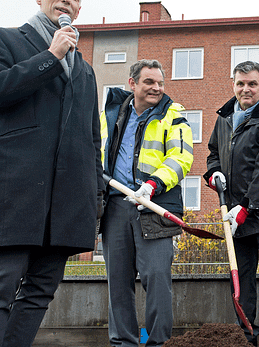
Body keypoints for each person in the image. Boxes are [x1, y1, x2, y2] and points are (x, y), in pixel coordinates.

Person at [0, 0, 104, 346]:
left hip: (66, 200)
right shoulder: (1, 40)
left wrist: (95, 198)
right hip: (18, 192)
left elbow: (91, 139)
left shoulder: (86, 71)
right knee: (1, 288)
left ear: (78, 9)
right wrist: (50, 55)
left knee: (41, 291)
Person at [99, 59, 193, 347]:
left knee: (156, 279)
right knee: (118, 282)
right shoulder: (112, 113)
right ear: (132, 84)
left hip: (153, 207)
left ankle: (159, 343)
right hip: (115, 207)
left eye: (160, 83)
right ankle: (122, 343)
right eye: (149, 82)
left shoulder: (173, 115)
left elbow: (182, 158)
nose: (156, 88)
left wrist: (152, 185)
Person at [204, 61, 259, 347]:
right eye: (240, 84)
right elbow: (212, 153)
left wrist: (247, 206)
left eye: (252, 84)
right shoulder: (224, 118)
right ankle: (245, 337)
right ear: (233, 84)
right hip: (235, 213)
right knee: (241, 280)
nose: (246, 89)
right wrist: (213, 173)